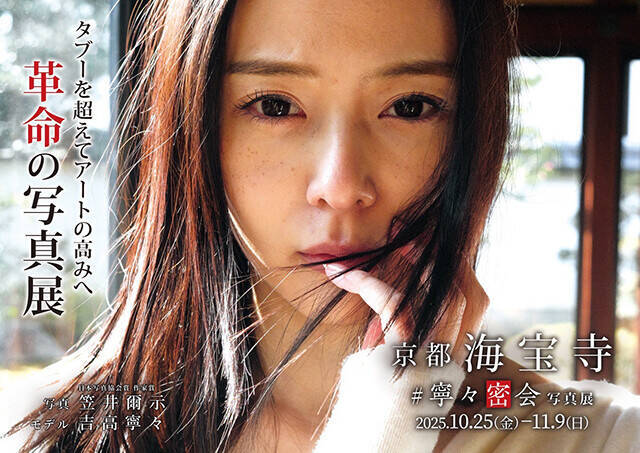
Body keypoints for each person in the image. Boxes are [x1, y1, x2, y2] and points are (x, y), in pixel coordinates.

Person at [1, 0, 639, 452]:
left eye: (410, 106)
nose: (341, 185)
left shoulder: (601, 438)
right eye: (275, 105)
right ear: (194, 132)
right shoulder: (45, 432)